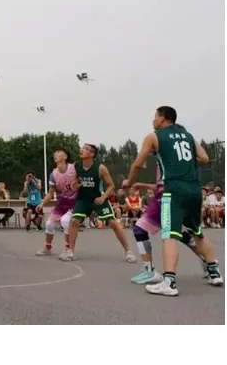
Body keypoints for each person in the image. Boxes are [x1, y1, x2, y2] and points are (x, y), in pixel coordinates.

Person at [122, 106, 223, 296]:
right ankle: (214, 273)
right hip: (194, 189)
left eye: (155, 116)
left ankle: (169, 282)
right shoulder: (188, 136)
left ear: (162, 118)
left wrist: (129, 181)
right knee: (198, 233)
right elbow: (204, 158)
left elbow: (137, 164)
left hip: (173, 189)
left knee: (169, 235)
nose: (153, 120)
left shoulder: (154, 136)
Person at [129, 164, 208, 284]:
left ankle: (150, 271)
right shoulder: (169, 159)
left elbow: (162, 185)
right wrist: (142, 185)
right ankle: (209, 263)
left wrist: (132, 181)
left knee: (139, 229)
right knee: (181, 233)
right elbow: (161, 185)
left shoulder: (164, 157)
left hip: (165, 198)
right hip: (179, 195)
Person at [63, 143, 136, 263]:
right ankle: (70, 251)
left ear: (92, 154)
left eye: (85, 149)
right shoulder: (76, 165)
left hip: (98, 198)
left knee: (113, 222)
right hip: (83, 199)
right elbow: (75, 182)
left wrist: (103, 197)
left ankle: (128, 251)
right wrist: (75, 185)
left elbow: (111, 185)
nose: (82, 150)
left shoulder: (100, 168)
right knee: (75, 221)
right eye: (82, 148)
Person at [36, 148, 76, 256]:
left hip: (75, 202)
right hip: (62, 203)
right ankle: (48, 247)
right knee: (49, 224)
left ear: (65, 157)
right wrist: (42, 204)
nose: (55, 154)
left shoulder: (74, 168)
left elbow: (83, 181)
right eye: (55, 153)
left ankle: (68, 248)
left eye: (58, 152)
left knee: (65, 221)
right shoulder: (53, 175)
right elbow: (50, 193)